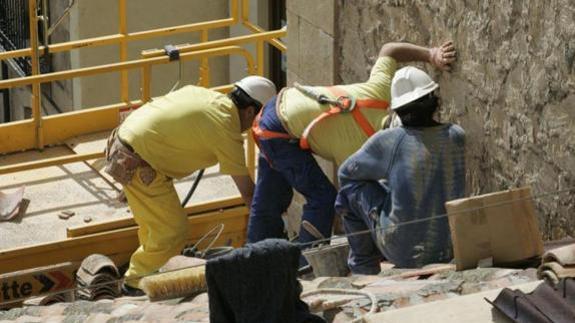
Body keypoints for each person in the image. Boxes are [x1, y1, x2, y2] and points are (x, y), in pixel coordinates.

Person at [248, 41, 456, 251]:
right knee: (323, 197)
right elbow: (353, 199)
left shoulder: (381, 91)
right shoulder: (355, 151)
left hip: (277, 108)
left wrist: (432, 54)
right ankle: (306, 265)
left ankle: (250, 260)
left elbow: (389, 50)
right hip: (276, 133)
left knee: (268, 202)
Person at [104, 76, 277, 295]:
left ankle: (145, 271)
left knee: (154, 227)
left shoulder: (208, 96)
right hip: (139, 161)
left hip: (125, 145)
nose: (255, 126)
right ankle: (135, 284)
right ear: (250, 111)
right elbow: (249, 194)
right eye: (259, 118)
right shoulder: (226, 127)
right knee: (172, 231)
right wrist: (267, 238)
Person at [336, 66, 466, 274]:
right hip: (449, 247)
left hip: (402, 251)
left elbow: (346, 174)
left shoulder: (390, 140)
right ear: (434, 100)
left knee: (348, 192)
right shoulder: (457, 135)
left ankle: (363, 267)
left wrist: (383, 188)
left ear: (398, 110)